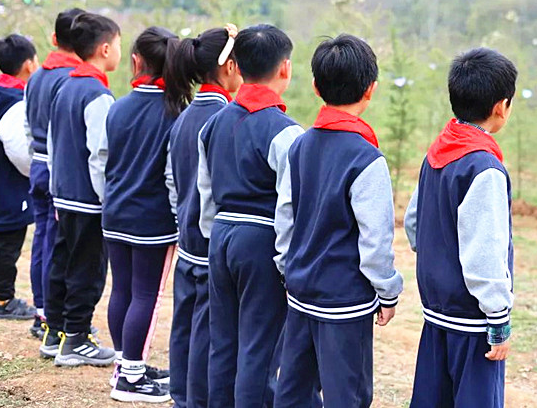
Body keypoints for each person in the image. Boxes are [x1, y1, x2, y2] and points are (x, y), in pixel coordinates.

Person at [273, 34, 404, 408]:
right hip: (344, 303)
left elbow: (285, 215)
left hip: (300, 293)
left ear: (315, 86)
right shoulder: (367, 159)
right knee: (347, 395)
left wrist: (288, 267)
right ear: (371, 90)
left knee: (293, 391)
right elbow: (375, 242)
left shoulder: (298, 145)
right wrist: (388, 291)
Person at [198, 24, 310, 408]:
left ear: (238, 67)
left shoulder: (213, 123)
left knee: (224, 343)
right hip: (261, 241)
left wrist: (215, 237)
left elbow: (205, 191)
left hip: (222, 237)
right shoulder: (287, 133)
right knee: (259, 351)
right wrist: (286, 261)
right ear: (286, 69)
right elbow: (289, 207)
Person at [404, 48, 517, 408]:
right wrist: (498, 320)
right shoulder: (484, 168)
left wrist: (438, 258)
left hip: (436, 310)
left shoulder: (437, 152)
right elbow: (484, 254)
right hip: (472, 321)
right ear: (501, 107)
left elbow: (412, 222)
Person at [103, 27, 183, 402]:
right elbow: (172, 177)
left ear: (137, 62)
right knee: (145, 296)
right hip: (151, 220)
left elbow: (105, 160)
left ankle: (125, 365)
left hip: (114, 214)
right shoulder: (174, 113)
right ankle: (131, 378)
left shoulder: (116, 106)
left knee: (121, 289)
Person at [165, 27, 242, 408]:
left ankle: (181, 396)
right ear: (228, 67)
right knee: (208, 329)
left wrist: (183, 217)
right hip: (212, 242)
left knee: (184, 323)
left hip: (186, 238)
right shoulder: (227, 119)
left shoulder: (184, 116)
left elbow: (170, 180)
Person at [42, 12, 120, 366]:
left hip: (64, 194)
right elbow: (100, 155)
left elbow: (53, 143)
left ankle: (54, 333)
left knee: (63, 261)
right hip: (89, 199)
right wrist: (108, 199)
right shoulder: (98, 94)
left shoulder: (65, 86)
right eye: (119, 45)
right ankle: (76, 338)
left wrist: (57, 188)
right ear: (104, 49)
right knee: (87, 269)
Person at [24, 7, 85, 339]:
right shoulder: (73, 79)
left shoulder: (36, 76)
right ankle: (53, 314)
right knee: (60, 246)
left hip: (36, 163)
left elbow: (25, 123)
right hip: (60, 168)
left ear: (54, 38)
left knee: (42, 239)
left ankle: (41, 310)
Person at [0, 34, 38, 320]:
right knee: (9, 240)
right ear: (28, 64)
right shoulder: (16, 102)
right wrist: (35, 172)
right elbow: (21, 150)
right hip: (11, 182)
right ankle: (3, 299)